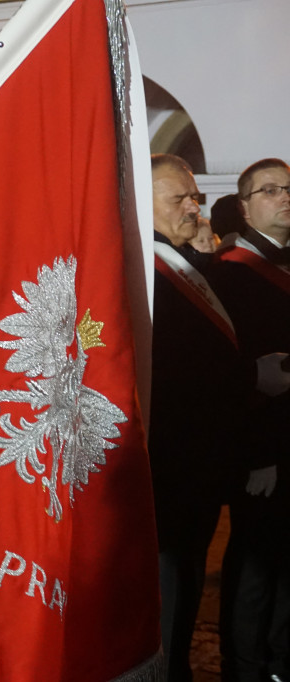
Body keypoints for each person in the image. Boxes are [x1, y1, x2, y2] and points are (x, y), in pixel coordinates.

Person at [148, 154, 265, 682]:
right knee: (166, 596)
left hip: (195, 470)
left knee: (186, 588)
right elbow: (171, 373)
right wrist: (252, 379)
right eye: (179, 199)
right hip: (165, 470)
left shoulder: (179, 262)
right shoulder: (145, 273)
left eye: (194, 196)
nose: (194, 207)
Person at [211, 158, 290, 682]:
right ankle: (244, 668)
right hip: (265, 449)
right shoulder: (229, 272)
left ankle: (281, 661)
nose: (284, 197)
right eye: (269, 190)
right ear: (245, 206)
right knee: (256, 564)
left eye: (289, 189)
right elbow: (229, 372)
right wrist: (260, 454)